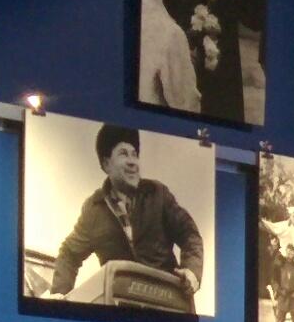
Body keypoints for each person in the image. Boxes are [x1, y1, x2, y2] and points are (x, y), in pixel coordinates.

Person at [46, 125, 205, 306]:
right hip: (122, 311)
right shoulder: (94, 209)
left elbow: (189, 234)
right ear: (106, 164)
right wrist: (59, 296)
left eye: (134, 154)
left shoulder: (158, 193)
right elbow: (69, 254)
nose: (132, 161)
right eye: (123, 154)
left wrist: (191, 271)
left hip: (168, 305)